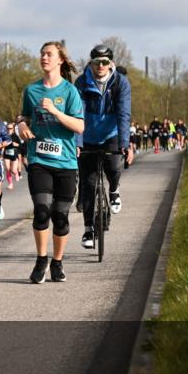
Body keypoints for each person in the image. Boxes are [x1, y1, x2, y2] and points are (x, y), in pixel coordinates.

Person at [17, 40, 84, 284]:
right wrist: (22, 124)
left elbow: (79, 126)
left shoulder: (69, 92)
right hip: (39, 159)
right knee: (42, 211)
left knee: (61, 215)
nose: (44, 57)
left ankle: (58, 261)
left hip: (66, 162)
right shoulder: (32, 90)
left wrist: (56, 113)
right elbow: (23, 115)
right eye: (42, 54)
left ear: (60, 60)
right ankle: (41, 259)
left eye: (49, 54)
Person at [75, 44, 133, 250]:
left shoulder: (120, 83)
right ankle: (88, 229)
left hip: (112, 134)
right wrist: (78, 143)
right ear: (90, 63)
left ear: (111, 63)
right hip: (88, 135)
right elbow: (77, 114)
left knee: (114, 166)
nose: (100, 66)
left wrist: (125, 144)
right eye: (96, 62)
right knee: (89, 184)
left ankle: (115, 190)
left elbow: (124, 114)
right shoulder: (81, 82)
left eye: (104, 62)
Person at [2, 121, 22, 189]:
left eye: (10, 128)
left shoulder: (15, 136)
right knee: (7, 169)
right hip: (6, 154)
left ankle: (16, 173)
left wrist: (17, 145)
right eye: (7, 128)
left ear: (13, 129)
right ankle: (10, 184)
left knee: (13, 170)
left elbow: (21, 146)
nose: (9, 130)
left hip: (14, 154)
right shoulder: (4, 136)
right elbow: (1, 144)